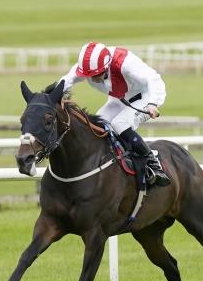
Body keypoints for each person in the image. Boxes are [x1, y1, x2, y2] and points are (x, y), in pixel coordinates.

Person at [59, 42, 169, 187]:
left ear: (105, 67)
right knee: (98, 123)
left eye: (95, 75)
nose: (91, 79)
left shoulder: (125, 63)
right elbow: (66, 81)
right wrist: (49, 97)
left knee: (120, 123)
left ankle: (153, 164)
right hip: (121, 96)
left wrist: (153, 103)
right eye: (88, 76)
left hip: (147, 95)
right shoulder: (88, 66)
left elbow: (152, 80)